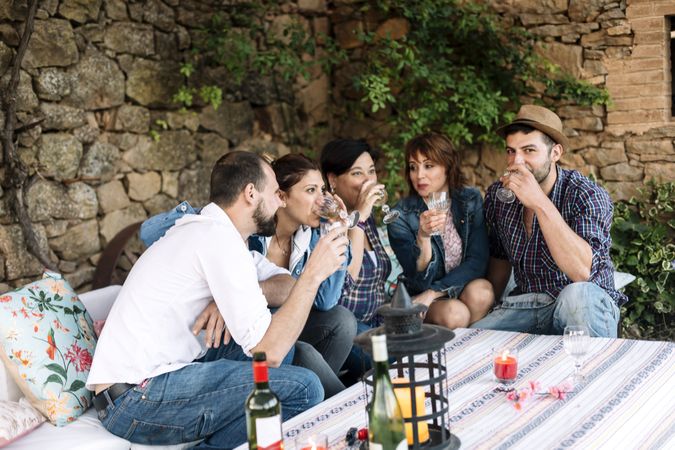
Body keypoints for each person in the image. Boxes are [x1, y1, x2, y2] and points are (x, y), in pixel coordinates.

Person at [87, 151, 349, 448]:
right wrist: (313, 273)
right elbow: (269, 350)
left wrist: (250, 293)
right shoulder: (216, 239)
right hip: (135, 399)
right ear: (251, 193)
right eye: (274, 192)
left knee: (279, 357)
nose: (279, 202)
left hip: (147, 385)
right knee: (304, 388)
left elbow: (287, 286)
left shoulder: (218, 234)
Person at [472, 105, 627, 337]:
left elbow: (583, 272)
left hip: (580, 306)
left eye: (529, 151)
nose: (517, 162)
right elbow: (500, 259)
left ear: (555, 153)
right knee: (469, 341)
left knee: (577, 295)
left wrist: (539, 202)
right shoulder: (499, 195)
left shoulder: (587, 195)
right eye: (511, 151)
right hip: (526, 306)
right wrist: (490, 307)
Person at [248, 153, 357, 396]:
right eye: (311, 191)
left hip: (290, 328)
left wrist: (337, 232)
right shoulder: (251, 233)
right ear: (282, 197)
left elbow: (326, 301)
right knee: (303, 353)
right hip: (255, 338)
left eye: (322, 190)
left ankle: (311, 402)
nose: (322, 200)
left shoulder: (310, 237)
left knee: (343, 320)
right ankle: (346, 406)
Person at [387, 132, 493, 329]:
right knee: (455, 313)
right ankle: (454, 354)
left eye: (428, 166)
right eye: (413, 167)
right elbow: (418, 281)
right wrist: (423, 237)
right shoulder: (400, 215)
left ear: (448, 166)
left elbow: (477, 260)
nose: (419, 175)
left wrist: (434, 292)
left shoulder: (469, 200)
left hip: (452, 288)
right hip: (418, 296)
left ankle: (469, 350)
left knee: (483, 291)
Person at [319, 139, 392, 381]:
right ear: (332, 180)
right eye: (357, 173)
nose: (368, 181)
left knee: (422, 345)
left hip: (378, 322)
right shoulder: (327, 221)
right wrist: (359, 219)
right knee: (394, 360)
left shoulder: (365, 217)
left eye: (371, 171)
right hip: (345, 329)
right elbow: (346, 281)